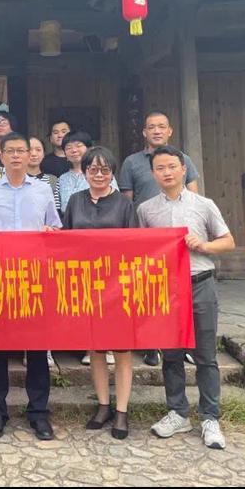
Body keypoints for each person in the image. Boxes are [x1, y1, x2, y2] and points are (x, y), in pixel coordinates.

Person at [139, 146, 235, 450]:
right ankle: (178, 412)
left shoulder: (203, 204)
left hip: (200, 283)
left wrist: (204, 246)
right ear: (153, 174)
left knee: (206, 355)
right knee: (171, 354)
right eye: (160, 168)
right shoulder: (146, 210)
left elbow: (228, 242)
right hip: (166, 288)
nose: (166, 172)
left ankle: (210, 417)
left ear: (183, 169)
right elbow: (141, 249)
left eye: (171, 166)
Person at [0, 132, 61, 441]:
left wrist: (50, 232)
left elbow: (55, 227)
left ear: (29, 155)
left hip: (34, 277)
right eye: (9, 151)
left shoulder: (42, 190)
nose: (15, 156)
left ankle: (38, 412)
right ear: (1, 155)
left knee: (36, 348)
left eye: (20, 151)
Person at [62, 146, 138, 439]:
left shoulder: (124, 205)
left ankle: (122, 411)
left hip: (117, 286)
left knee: (122, 350)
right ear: (84, 172)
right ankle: (103, 405)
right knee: (95, 348)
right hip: (86, 285)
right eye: (92, 169)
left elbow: (134, 246)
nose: (98, 175)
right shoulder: (75, 201)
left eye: (105, 170)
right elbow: (66, 242)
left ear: (112, 173)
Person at [119, 110, 200, 368]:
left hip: (178, 238)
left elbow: (194, 196)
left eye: (161, 126)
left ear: (169, 131)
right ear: (144, 132)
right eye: (151, 127)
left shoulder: (183, 159)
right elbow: (127, 202)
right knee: (150, 292)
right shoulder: (132, 162)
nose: (156, 131)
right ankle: (151, 344)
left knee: (181, 292)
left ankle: (184, 343)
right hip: (146, 235)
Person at [28, 136, 60, 370]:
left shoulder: (49, 183)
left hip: (41, 251)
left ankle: (43, 349)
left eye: (37, 149)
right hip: (10, 257)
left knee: (41, 302)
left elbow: (55, 217)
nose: (31, 153)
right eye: (28, 149)